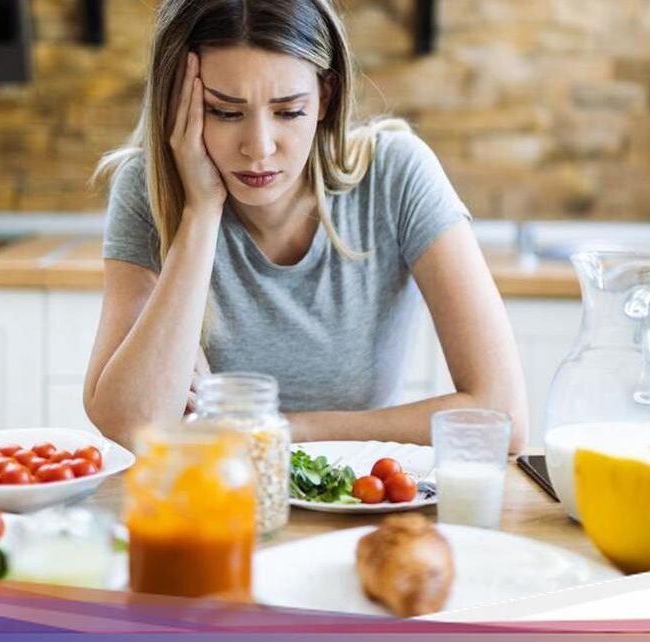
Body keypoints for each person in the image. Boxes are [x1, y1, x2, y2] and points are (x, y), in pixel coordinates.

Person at [84, 0, 527, 451]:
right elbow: (132, 426)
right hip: (212, 503)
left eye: (288, 111)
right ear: (179, 103)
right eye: (225, 112)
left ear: (325, 97)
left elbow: (503, 416)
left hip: (360, 500)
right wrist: (199, 214)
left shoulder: (397, 175)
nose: (258, 148)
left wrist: (280, 430)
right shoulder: (147, 189)